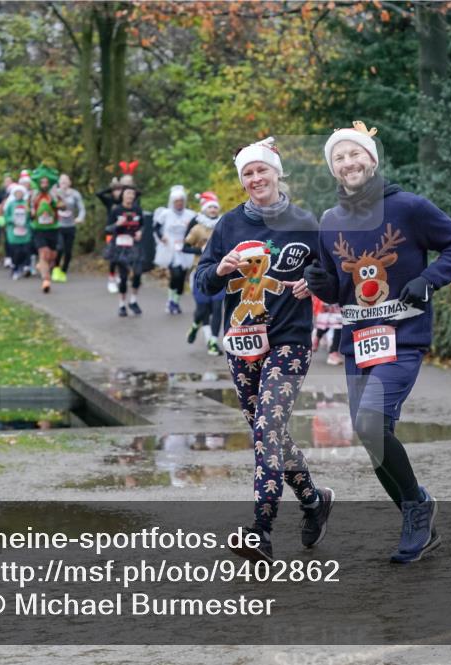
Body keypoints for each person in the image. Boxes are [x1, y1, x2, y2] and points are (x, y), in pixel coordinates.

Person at [303, 121, 451, 563]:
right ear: (333, 169)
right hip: (359, 341)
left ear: (372, 159)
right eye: (338, 158)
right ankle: (417, 509)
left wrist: (427, 279)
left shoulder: (409, 207)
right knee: (373, 436)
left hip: (403, 336)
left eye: (354, 154)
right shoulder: (330, 220)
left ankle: (416, 507)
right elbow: (338, 288)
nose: (347, 163)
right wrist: (320, 283)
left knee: (369, 424)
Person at [196, 136, 333, 563]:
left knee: (267, 431)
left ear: (277, 173)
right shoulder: (229, 226)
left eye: (262, 170)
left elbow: (332, 275)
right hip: (241, 343)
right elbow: (202, 284)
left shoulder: (306, 224)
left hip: (290, 341)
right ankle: (313, 499)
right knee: (266, 431)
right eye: (248, 174)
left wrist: (313, 282)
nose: (256, 178)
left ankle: (261, 529)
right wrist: (219, 268)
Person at [184, 191, 225, 355]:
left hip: (218, 272)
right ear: (204, 209)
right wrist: (200, 249)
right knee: (202, 310)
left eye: (215, 207)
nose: (213, 210)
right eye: (210, 207)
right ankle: (195, 326)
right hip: (200, 272)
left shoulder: (223, 226)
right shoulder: (197, 228)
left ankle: (213, 341)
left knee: (217, 307)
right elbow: (184, 247)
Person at [104, 182, 145, 317]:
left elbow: (142, 225)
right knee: (123, 277)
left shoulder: (137, 209)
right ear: (122, 196)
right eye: (127, 193)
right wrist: (117, 224)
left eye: (132, 194)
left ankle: (133, 300)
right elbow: (107, 229)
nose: (130, 196)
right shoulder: (116, 210)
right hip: (120, 246)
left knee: (138, 273)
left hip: (134, 245)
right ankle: (122, 304)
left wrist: (140, 232)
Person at [154, 185, 196, 314]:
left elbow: (196, 230)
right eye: (176, 201)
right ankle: (170, 300)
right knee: (175, 274)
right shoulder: (165, 214)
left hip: (184, 249)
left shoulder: (191, 215)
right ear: (172, 202)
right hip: (170, 249)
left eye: (181, 201)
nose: (179, 203)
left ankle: (175, 301)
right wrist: (162, 237)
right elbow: (156, 227)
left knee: (181, 277)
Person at [29, 165, 60, 293]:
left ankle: (42, 266)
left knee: (52, 255)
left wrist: (55, 204)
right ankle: (46, 280)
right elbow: (29, 209)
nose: (44, 184)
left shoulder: (54, 194)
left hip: (53, 228)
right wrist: (31, 212)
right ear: (38, 182)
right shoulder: (34, 195)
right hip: (39, 228)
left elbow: (63, 206)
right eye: (42, 181)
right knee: (43, 253)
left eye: (46, 182)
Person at [52, 173, 85, 283]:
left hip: (71, 226)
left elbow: (81, 208)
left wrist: (80, 218)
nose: (64, 183)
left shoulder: (75, 194)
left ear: (70, 182)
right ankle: (55, 268)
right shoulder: (54, 194)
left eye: (66, 181)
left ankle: (64, 271)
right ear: (59, 183)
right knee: (59, 247)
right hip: (58, 226)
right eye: (62, 181)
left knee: (68, 251)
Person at [97, 177, 126, 294]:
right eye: (116, 190)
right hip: (111, 232)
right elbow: (98, 194)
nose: (118, 192)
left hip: (124, 232)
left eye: (120, 190)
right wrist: (111, 188)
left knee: (123, 256)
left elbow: (138, 194)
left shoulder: (125, 202)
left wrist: (125, 187)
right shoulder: (109, 201)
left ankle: (119, 275)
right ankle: (111, 278)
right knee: (113, 256)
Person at [2, 184, 33, 279]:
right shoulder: (11, 204)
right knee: (16, 251)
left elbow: (30, 217)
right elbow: (6, 217)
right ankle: (15, 268)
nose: (19, 194)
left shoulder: (26, 204)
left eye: (20, 193)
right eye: (17, 193)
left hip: (25, 232)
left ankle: (25, 267)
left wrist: (28, 224)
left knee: (25, 251)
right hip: (13, 232)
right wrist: (12, 220)